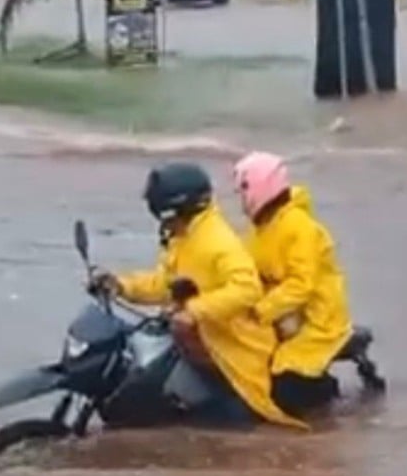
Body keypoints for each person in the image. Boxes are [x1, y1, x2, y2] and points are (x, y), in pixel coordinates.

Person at [94, 162, 301, 428]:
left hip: (233, 348)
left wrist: (195, 311)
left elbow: (247, 288)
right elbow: (166, 283)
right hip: (198, 341)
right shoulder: (184, 236)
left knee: (220, 427)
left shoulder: (217, 241)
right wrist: (121, 285)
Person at [233, 151, 354, 417]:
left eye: (243, 190)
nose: (240, 199)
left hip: (317, 322)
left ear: (261, 187)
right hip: (281, 317)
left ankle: (327, 397)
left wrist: (260, 311)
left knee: (283, 389)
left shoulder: (301, 229)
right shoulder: (259, 230)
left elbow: (301, 285)